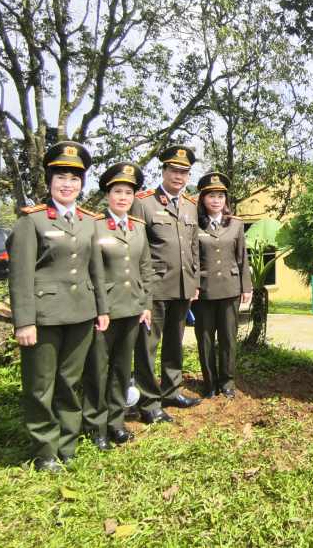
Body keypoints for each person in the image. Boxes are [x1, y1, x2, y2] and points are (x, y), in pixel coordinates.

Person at [8, 141, 109, 472]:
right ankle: (46, 449)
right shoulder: (32, 221)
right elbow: (20, 276)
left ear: (81, 184)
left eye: (75, 179)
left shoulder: (88, 221)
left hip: (81, 313)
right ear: (49, 181)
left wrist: (102, 309)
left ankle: (67, 441)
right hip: (44, 315)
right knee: (41, 385)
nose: (68, 184)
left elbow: (96, 268)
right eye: (61, 178)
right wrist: (24, 322)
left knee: (69, 380)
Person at [82, 162, 153, 450]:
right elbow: (90, 270)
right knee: (98, 370)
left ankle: (115, 422)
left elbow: (145, 267)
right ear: (107, 195)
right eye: (117, 191)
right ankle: (95, 427)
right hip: (105, 311)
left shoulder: (138, 228)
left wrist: (146, 303)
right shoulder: (93, 226)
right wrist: (100, 308)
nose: (123, 197)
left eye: (128, 192)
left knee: (122, 369)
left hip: (133, 308)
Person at [131, 144, 202, 424]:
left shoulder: (190, 205)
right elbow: (136, 247)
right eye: (174, 170)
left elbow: (193, 245)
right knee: (148, 346)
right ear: (163, 171)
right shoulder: (144, 202)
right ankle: (149, 403)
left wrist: (194, 281)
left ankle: (171, 390)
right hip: (155, 287)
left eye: (184, 172)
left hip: (183, 286)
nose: (179, 176)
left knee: (175, 342)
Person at [193, 171, 252, 399]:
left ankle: (227, 382)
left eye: (220, 195)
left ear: (226, 199)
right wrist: (193, 287)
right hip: (204, 291)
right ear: (203, 199)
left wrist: (246, 287)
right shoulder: (194, 225)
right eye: (210, 196)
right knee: (205, 339)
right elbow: (192, 258)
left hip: (230, 289)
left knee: (228, 338)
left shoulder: (235, 224)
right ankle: (209, 383)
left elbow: (242, 257)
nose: (216, 200)